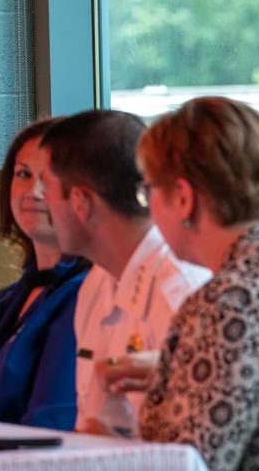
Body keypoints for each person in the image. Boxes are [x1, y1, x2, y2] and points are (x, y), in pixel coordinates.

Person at [122, 97, 259, 470]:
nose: (149, 206)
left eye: (149, 191)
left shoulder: (226, 304)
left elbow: (186, 463)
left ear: (183, 197)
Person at [38, 109, 210, 437]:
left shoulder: (183, 295)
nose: (40, 200)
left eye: (45, 186)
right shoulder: (95, 284)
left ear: (81, 202)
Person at [0, 118, 90, 429]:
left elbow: (52, 423)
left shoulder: (87, 295)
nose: (33, 192)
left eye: (50, 178)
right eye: (23, 174)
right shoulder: (12, 297)